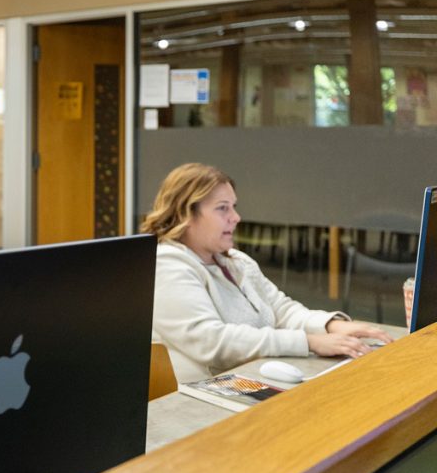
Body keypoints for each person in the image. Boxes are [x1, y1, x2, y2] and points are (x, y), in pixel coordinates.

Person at [141, 162, 393, 383]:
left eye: (234, 207)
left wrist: (331, 325)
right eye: (222, 208)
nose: (236, 217)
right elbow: (212, 340)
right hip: (203, 399)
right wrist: (308, 341)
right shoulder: (165, 266)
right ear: (186, 214)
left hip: (252, 377)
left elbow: (281, 310)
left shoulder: (236, 261)